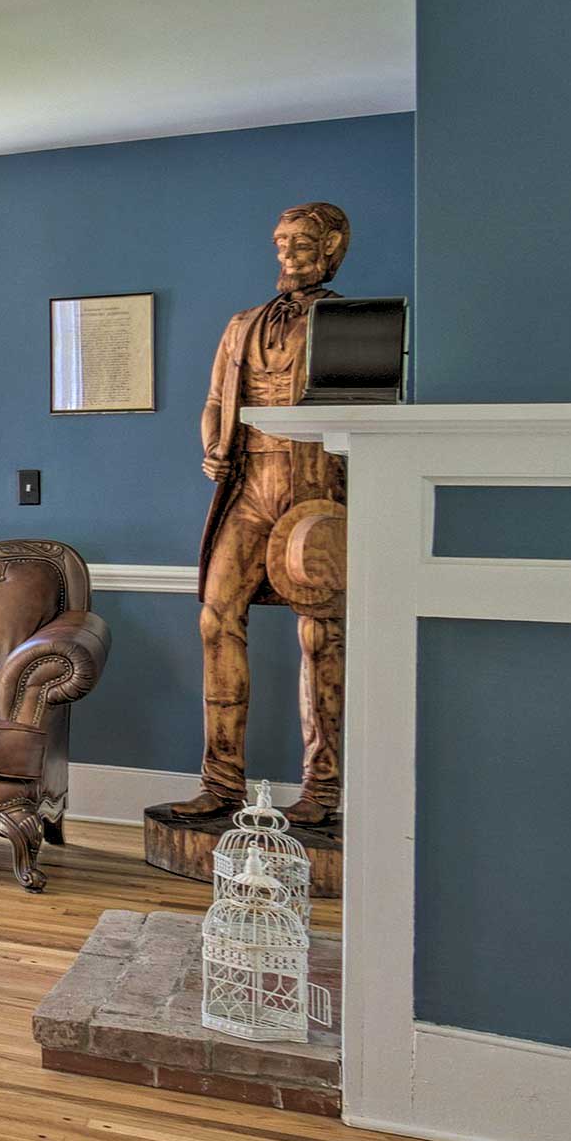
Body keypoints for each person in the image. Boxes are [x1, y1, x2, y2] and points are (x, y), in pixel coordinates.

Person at [150, 201, 348, 832]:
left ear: (333, 245)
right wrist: (212, 444)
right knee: (216, 617)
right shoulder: (241, 324)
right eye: (280, 242)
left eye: (301, 241)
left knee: (320, 634)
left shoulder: (347, 320)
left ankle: (322, 788)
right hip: (249, 480)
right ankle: (220, 783)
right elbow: (214, 399)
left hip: (314, 483)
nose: (287, 253)